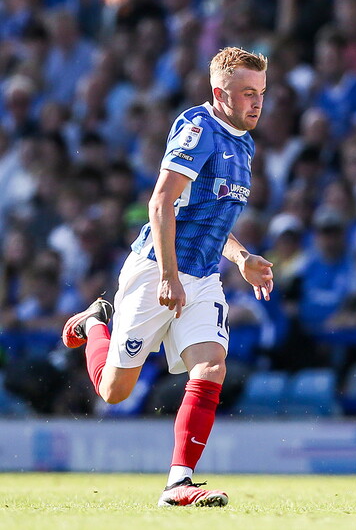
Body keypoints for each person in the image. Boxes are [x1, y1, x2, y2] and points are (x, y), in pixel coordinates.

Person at [60, 47, 272, 508]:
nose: (257, 102)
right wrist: (169, 276)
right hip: (158, 268)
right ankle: (96, 321)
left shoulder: (244, 142)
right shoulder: (198, 129)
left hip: (202, 276)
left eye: (261, 93)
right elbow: (161, 203)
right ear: (220, 93)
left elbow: (210, 216)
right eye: (247, 93)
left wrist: (240, 258)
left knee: (212, 365)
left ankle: (179, 482)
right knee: (115, 392)